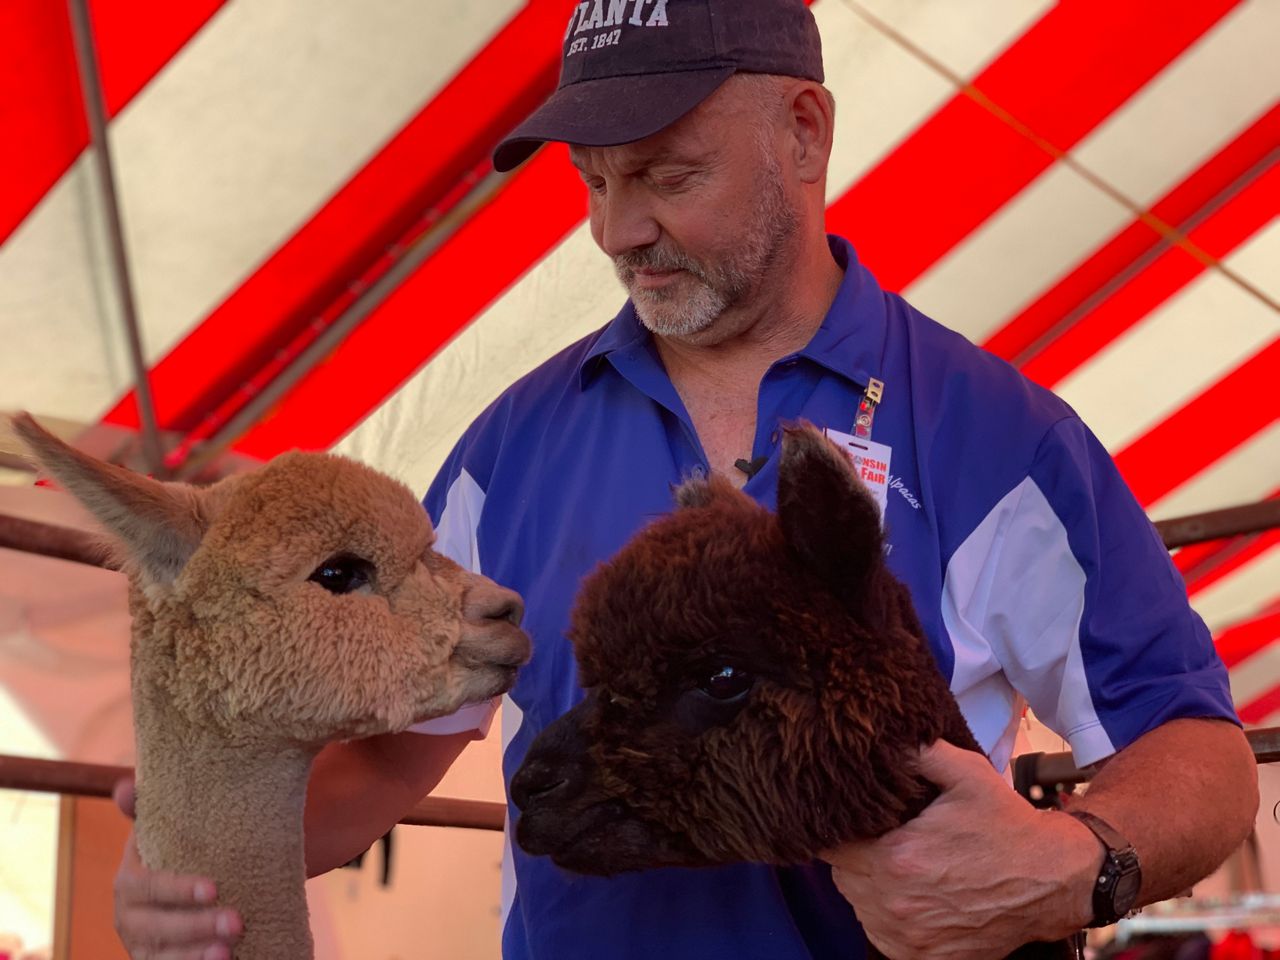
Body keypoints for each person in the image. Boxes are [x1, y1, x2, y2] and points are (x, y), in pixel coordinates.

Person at [111, 2, 1258, 958]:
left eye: (667, 172)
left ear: (803, 133)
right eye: (594, 182)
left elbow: (1195, 748)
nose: (619, 230)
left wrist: (1075, 864)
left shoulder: (996, 434)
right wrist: (200, 857)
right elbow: (387, 767)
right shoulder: (510, 449)